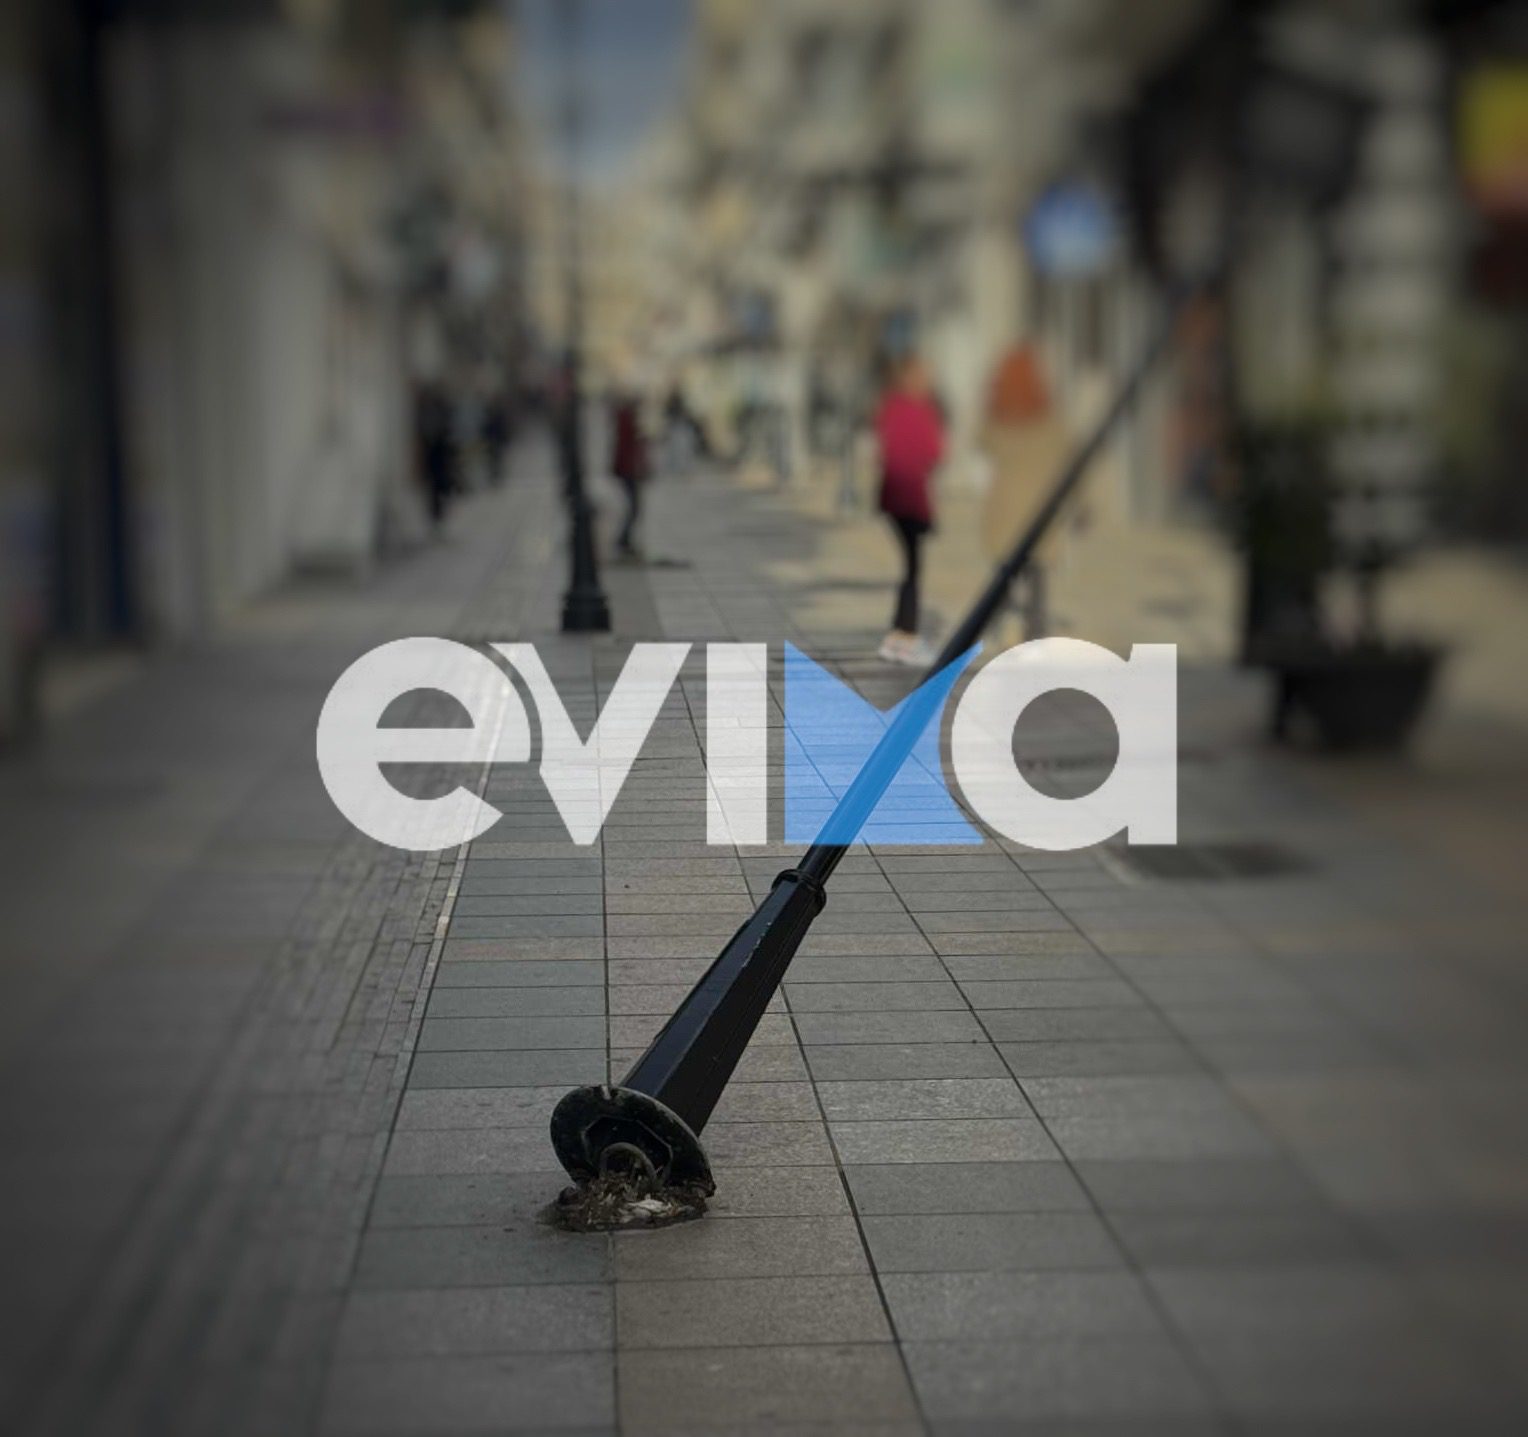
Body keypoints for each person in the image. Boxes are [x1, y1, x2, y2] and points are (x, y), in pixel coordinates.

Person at [979, 340, 1070, 639]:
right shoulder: (1050, 420)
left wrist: (990, 402)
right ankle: (1034, 634)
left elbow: (981, 443)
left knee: (1005, 575)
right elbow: (1066, 454)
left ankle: (1002, 627)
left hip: (1006, 507)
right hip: (1040, 508)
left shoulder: (998, 419)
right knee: (1037, 580)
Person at [874, 355, 944, 665]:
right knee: (913, 568)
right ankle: (906, 636)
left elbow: (885, 449)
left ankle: (898, 634)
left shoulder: (891, 407)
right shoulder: (921, 410)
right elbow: (934, 451)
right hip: (912, 496)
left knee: (910, 565)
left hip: (893, 494)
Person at [609, 388, 648, 558]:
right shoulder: (626, 419)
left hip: (626, 468)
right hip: (627, 469)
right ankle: (623, 539)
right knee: (634, 506)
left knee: (633, 506)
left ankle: (625, 539)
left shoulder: (625, 418)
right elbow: (627, 447)